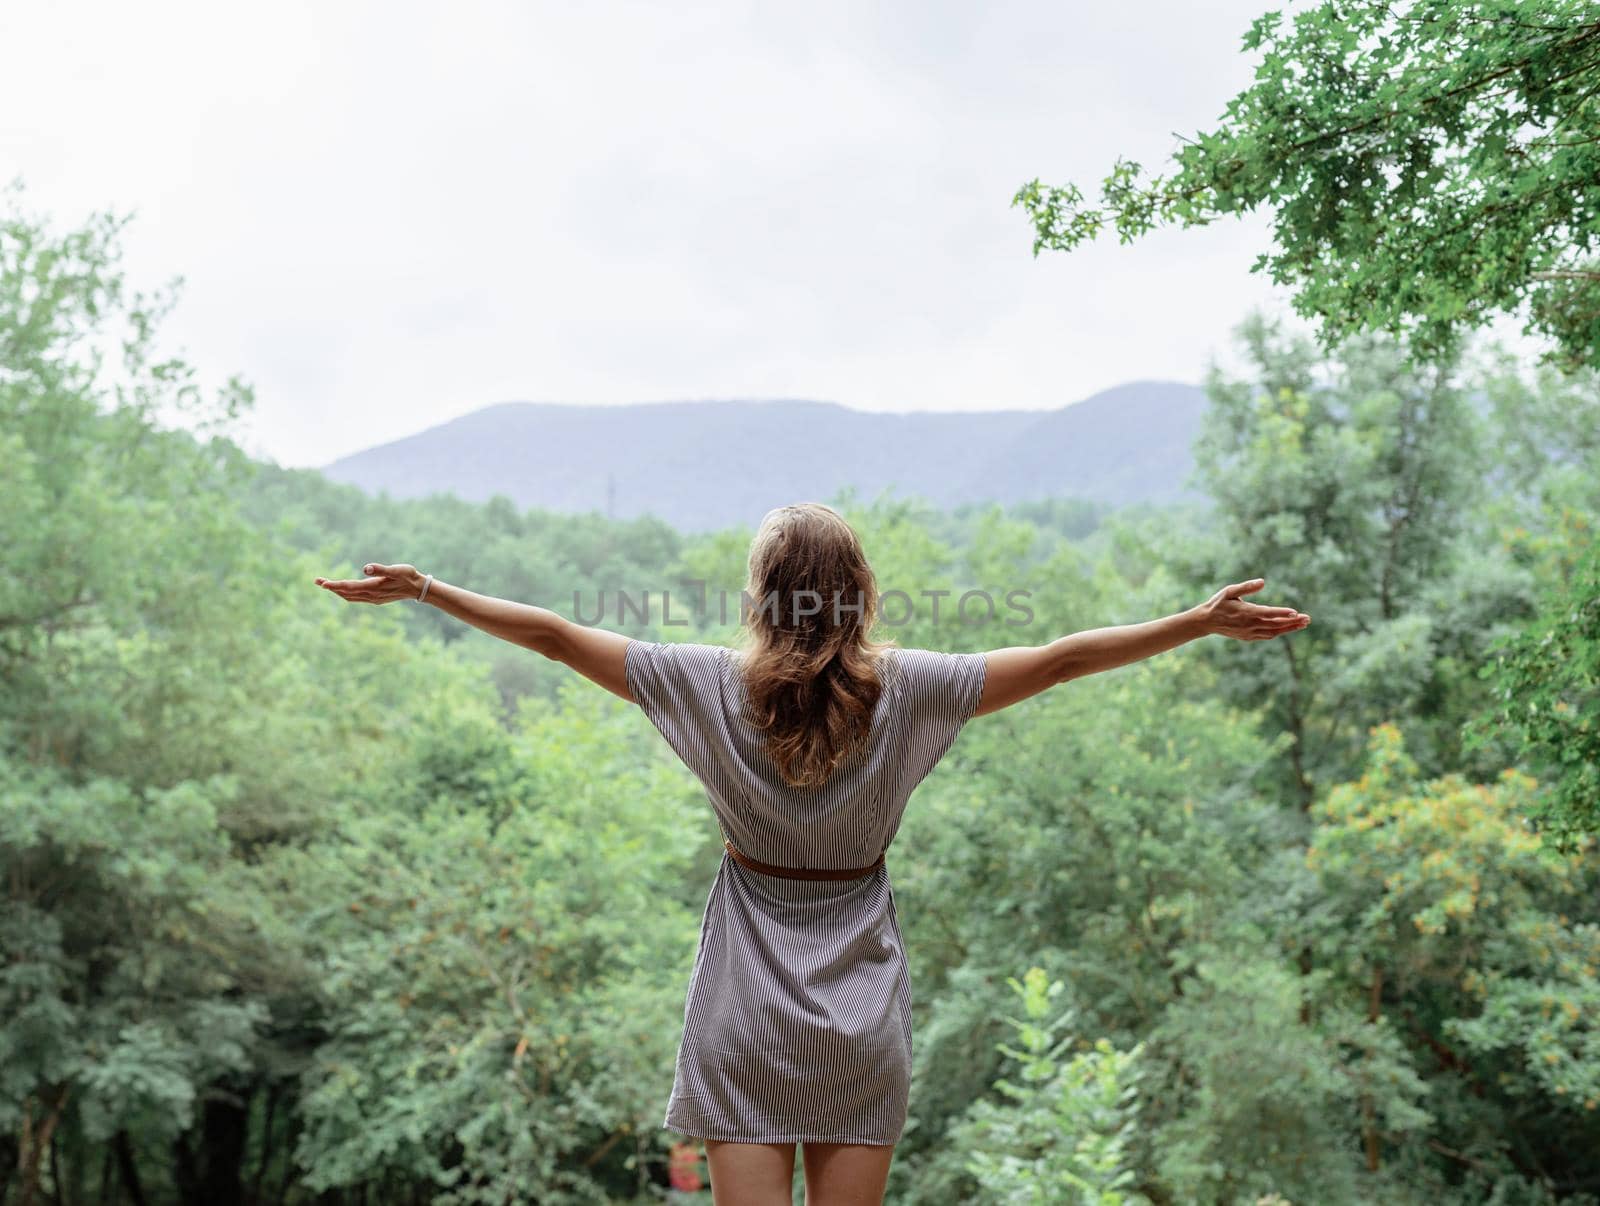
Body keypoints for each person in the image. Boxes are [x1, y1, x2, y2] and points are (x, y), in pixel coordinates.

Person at [315, 501, 1310, 1206]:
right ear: (859, 593)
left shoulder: (703, 683)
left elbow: (557, 638)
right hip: (858, 1021)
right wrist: (1196, 622)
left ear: (760, 596)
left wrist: (430, 591)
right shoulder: (913, 688)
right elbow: (1058, 660)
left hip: (743, 1017)